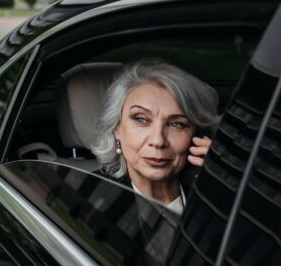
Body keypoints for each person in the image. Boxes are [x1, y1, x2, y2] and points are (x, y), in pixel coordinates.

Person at [91, 59, 219, 212]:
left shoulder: (217, 198)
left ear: (196, 135)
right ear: (117, 128)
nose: (158, 140)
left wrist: (223, 183)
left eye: (176, 124)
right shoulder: (89, 194)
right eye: (141, 119)